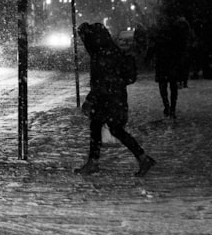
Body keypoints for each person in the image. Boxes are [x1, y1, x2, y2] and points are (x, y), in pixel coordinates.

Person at [75, 22, 155, 177]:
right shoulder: (110, 50)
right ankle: (140, 158)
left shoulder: (101, 54)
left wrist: (90, 100)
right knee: (104, 127)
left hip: (108, 98)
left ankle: (141, 158)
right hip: (114, 96)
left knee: (107, 128)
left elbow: (102, 81)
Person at [147, 14, 186, 119]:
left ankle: (168, 106)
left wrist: (149, 57)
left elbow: (153, 47)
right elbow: (180, 47)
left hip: (163, 62)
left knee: (164, 86)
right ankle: (171, 107)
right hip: (170, 62)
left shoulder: (159, 34)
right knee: (172, 86)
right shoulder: (174, 33)